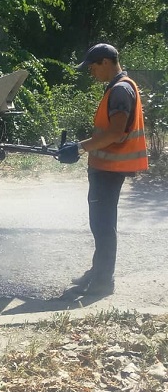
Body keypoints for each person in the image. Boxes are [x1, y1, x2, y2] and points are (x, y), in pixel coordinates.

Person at [57, 43, 148, 297]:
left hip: (109, 168)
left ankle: (103, 282)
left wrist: (79, 147)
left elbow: (115, 133)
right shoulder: (120, 86)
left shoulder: (120, 90)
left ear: (106, 62)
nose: (91, 72)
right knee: (102, 224)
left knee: (103, 225)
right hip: (108, 167)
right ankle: (98, 272)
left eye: (93, 67)